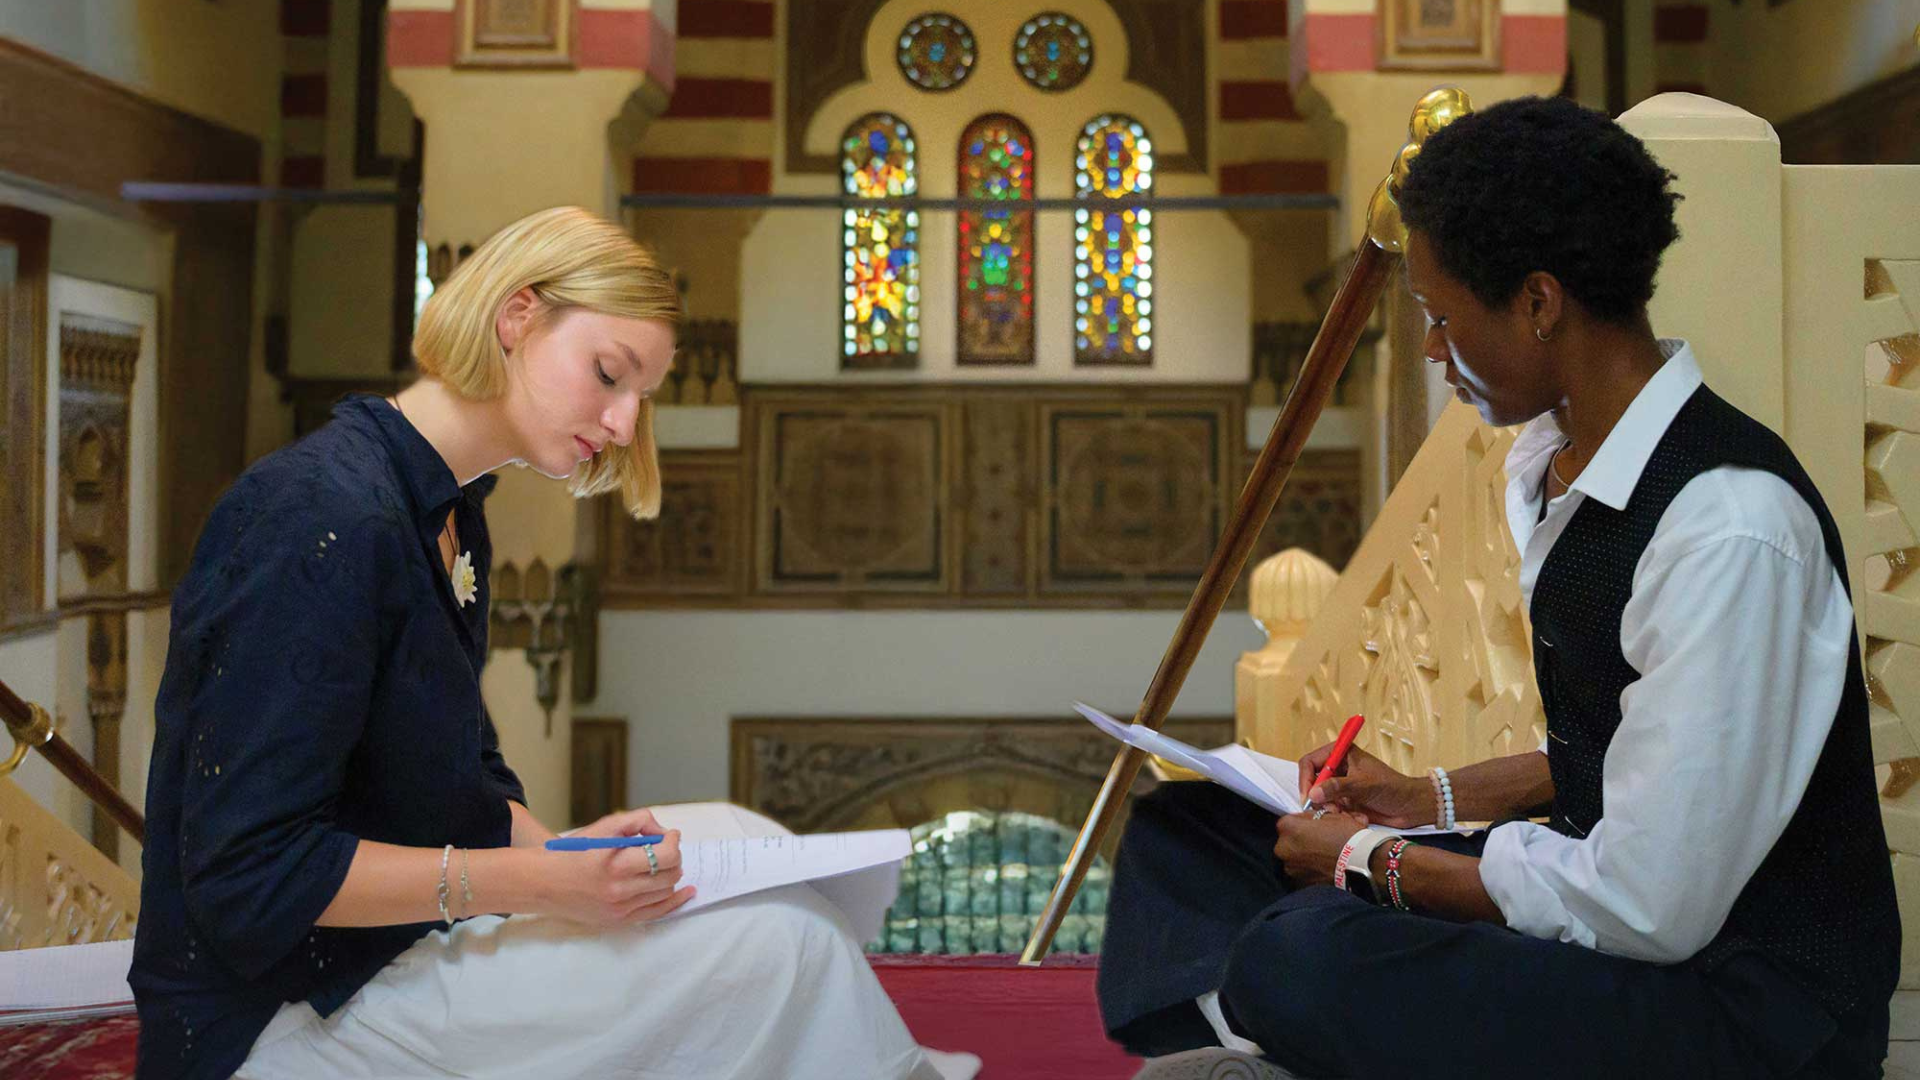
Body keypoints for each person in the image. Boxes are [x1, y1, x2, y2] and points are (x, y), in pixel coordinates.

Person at [1094, 96, 1900, 1079]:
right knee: (1188, 833)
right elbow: (1630, 750)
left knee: (1301, 951)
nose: (1432, 352)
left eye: (1441, 319)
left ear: (1537, 302)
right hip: (1629, 925)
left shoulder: (1727, 525)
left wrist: (1373, 863)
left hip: (1741, 1007)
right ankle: (1313, 1025)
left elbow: (1648, 906)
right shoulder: (1564, 466)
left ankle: (1304, 1019)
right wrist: (1416, 798)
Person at [130, 206, 974, 1080]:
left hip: (392, 948)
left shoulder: (452, 512)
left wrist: (570, 854)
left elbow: (460, 782)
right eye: (609, 375)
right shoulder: (318, 516)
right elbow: (248, 876)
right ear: (517, 316)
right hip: (284, 1013)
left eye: (640, 397)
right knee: (782, 944)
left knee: (735, 838)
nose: (620, 423)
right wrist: (541, 886)